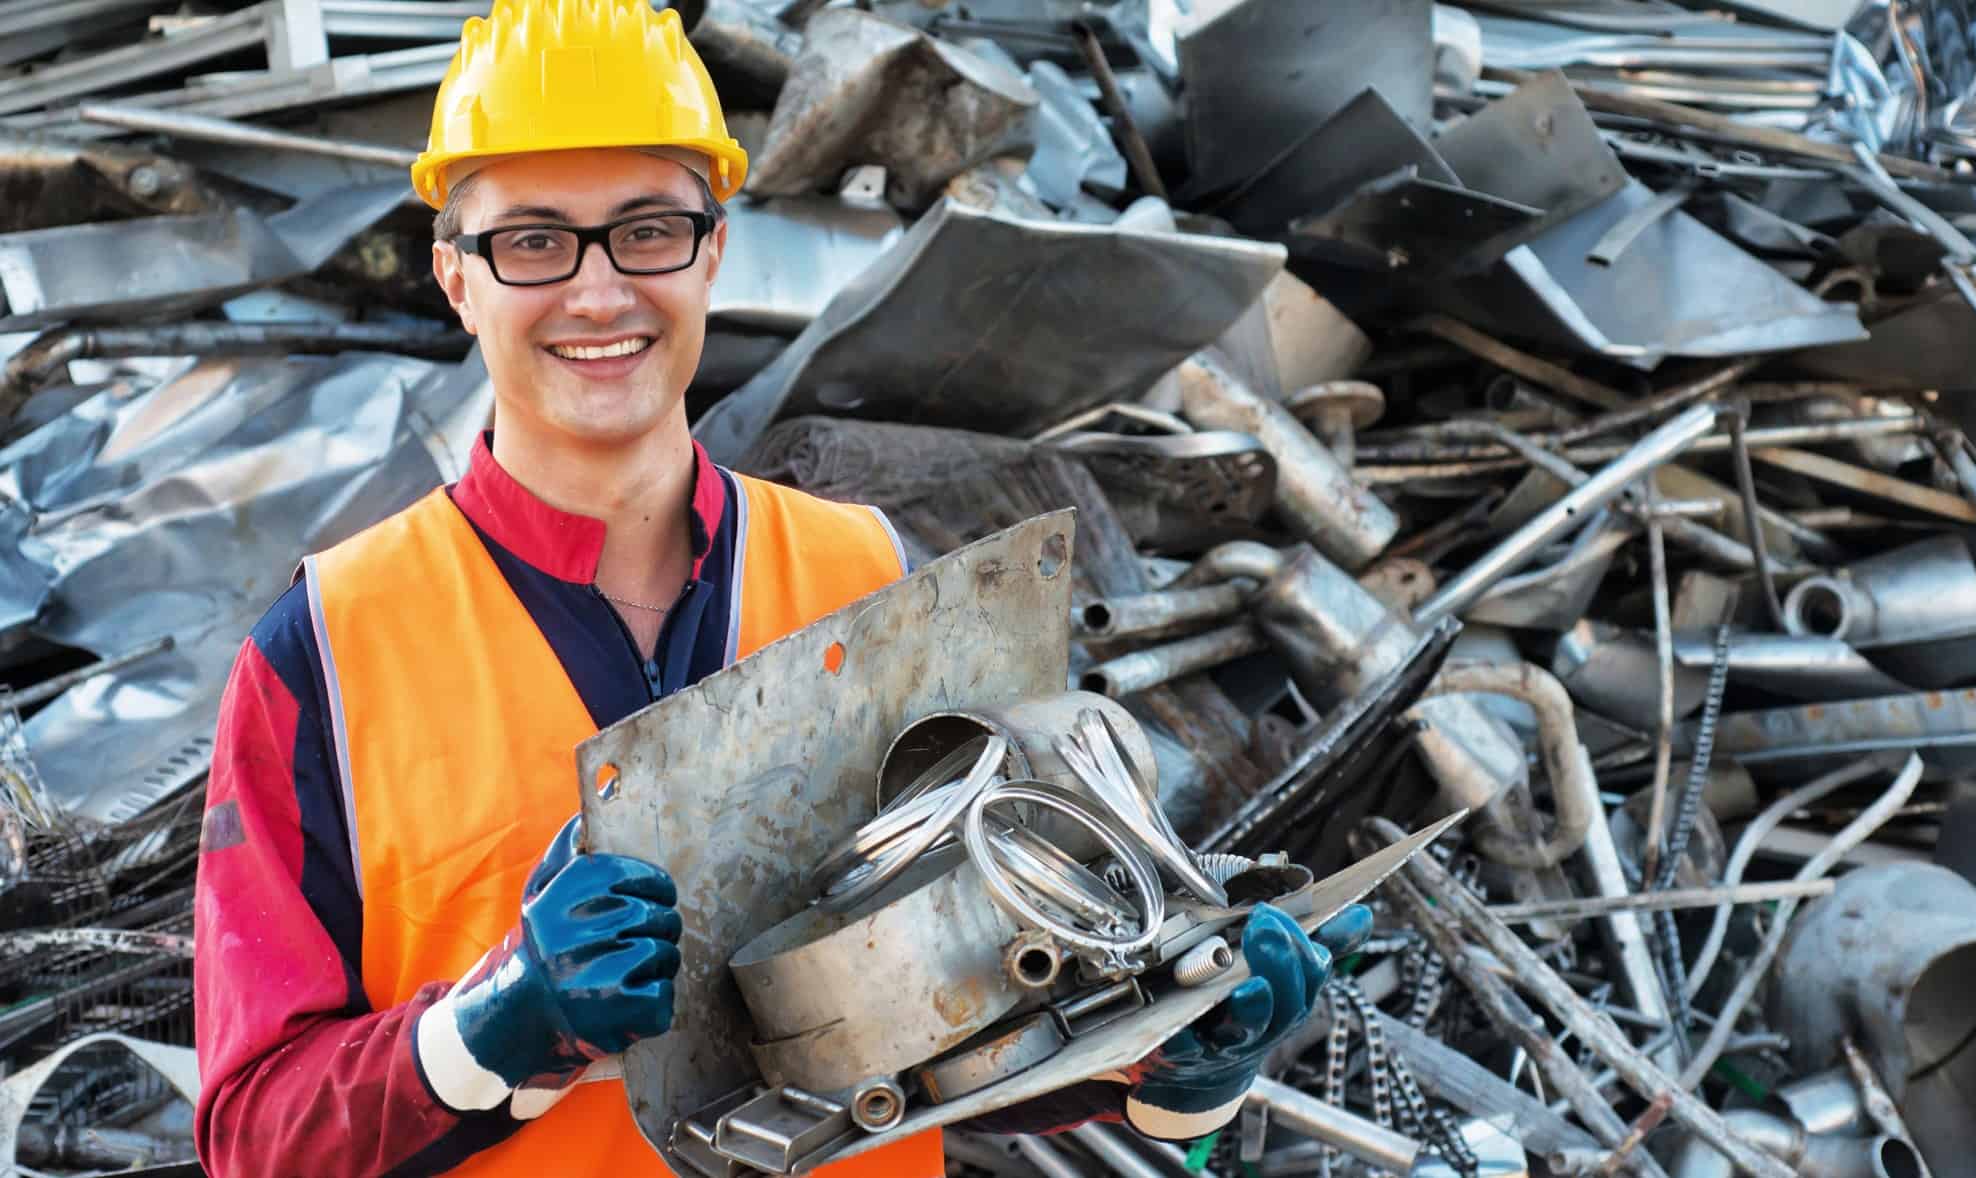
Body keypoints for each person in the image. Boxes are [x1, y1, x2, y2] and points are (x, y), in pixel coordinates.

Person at [190, 2, 1371, 1174]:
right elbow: (254, 1135)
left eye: (646, 230)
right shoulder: (330, 651)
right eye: (534, 241)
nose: (598, 293)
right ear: (456, 274)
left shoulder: (869, 580)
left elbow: (952, 1030)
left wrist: (1170, 1066)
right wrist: (491, 1028)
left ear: (712, 247)